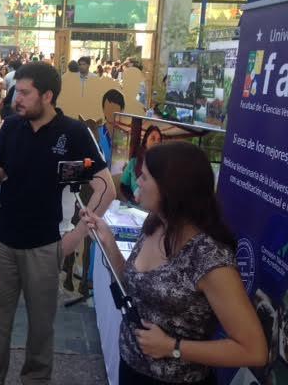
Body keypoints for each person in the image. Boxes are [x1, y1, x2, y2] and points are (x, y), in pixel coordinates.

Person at [0, 63, 116, 385]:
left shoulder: (73, 133)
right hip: (4, 240)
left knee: (41, 325)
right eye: (17, 91)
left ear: (47, 95)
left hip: (46, 245)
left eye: (24, 92)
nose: (16, 98)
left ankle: (35, 379)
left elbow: (106, 187)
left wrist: (77, 235)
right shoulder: (12, 127)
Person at [84, 141, 268, 384]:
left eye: (146, 177)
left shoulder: (209, 257)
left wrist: (173, 346)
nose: (138, 180)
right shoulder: (156, 224)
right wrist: (108, 241)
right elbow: (132, 286)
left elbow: (254, 351)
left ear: (172, 188)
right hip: (130, 368)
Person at [120, 125, 162, 204]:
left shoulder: (164, 165)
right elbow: (124, 186)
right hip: (135, 210)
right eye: (153, 138)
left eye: (159, 140)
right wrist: (133, 199)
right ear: (145, 142)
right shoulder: (133, 163)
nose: (157, 142)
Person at [98, 89, 126, 167]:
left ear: (122, 110)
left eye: (114, 108)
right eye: (108, 108)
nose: (110, 112)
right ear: (103, 109)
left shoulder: (125, 138)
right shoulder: (96, 133)